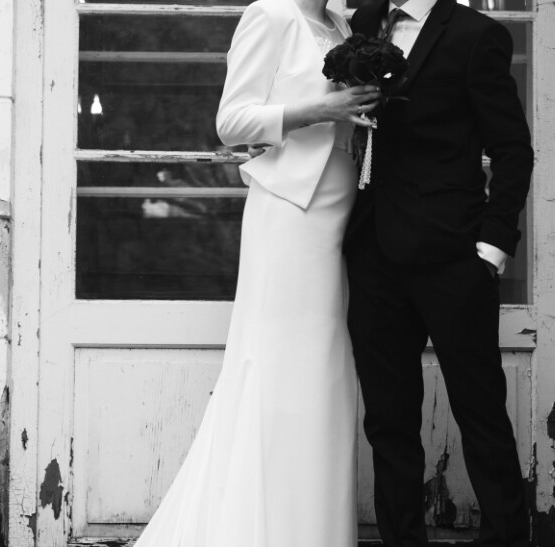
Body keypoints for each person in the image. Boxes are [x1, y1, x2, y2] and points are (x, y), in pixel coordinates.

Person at [132, 0, 379, 544]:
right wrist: (322, 109)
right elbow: (231, 121)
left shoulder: (341, 23)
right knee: (280, 367)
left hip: (342, 214)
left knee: (324, 372)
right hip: (289, 212)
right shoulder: (269, 14)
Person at [344, 0, 535, 545]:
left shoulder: (477, 35)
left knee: (479, 410)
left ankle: (505, 539)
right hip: (373, 252)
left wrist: (492, 247)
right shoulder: (362, 24)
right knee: (388, 420)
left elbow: (512, 149)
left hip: (454, 256)